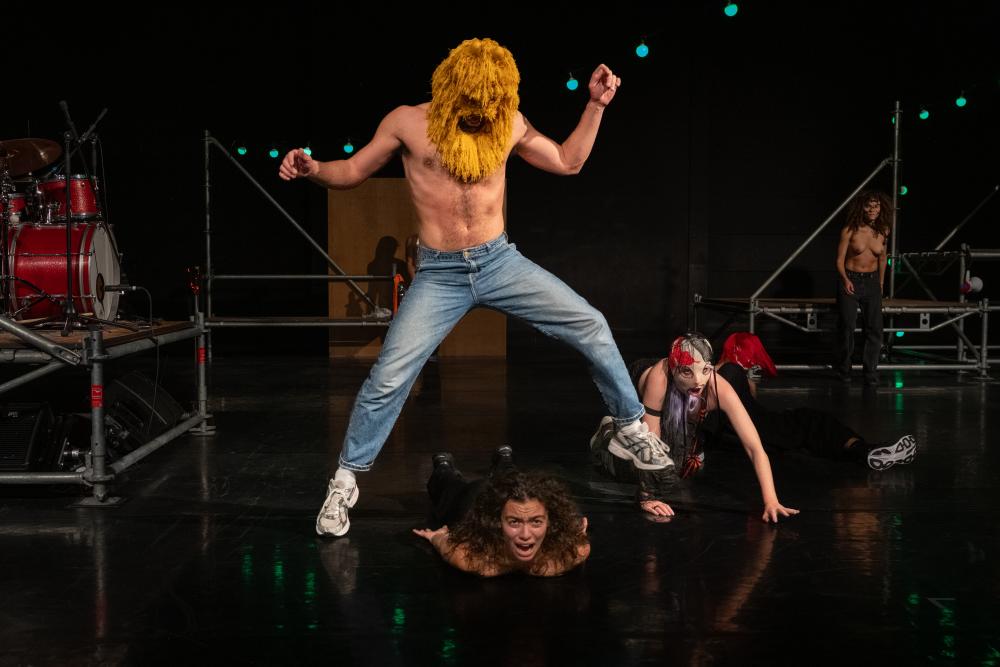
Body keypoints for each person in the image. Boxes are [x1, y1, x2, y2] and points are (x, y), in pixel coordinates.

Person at [279, 38, 669, 537]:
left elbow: (569, 162)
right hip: (439, 273)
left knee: (590, 323)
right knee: (389, 378)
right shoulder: (408, 122)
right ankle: (344, 482)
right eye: (471, 104)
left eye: (489, 104)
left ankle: (631, 425)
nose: (480, 113)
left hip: (499, 261)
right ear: (450, 91)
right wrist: (314, 170)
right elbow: (353, 170)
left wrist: (595, 106)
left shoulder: (508, 121)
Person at [590, 333, 799, 523]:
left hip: (683, 398)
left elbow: (754, 447)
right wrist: (647, 497)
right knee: (651, 462)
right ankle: (608, 432)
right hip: (644, 389)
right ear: (674, 370)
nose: (698, 380)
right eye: (688, 372)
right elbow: (650, 442)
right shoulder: (659, 379)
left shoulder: (719, 388)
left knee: (679, 463)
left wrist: (771, 500)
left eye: (705, 370)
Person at [712, 332, 917, 470]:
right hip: (756, 430)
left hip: (733, 438)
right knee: (811, 421)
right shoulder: (731, 372)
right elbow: (749, 397)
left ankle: (859, 453)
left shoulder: (708, 380)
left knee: (808, 439)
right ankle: (862, 450)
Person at [413, 447, 590, 577]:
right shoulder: (473, 558)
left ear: (549, 522)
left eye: (536, 522)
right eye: (514, 522)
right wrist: (437, 537)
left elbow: (580, 545)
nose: (525, 535)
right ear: (498, 522)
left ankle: (505, 460)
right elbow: (446, 544)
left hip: (507, 499)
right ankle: (443, 466)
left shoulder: (568, 556)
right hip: (473, 499)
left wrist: (575, 536)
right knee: (449, 488)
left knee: (514, 481)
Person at [835, 189, 892, 385]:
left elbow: (883, 258)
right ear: (862, 207)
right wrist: (845, 279)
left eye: (876, 206)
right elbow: (839, 260)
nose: (873, 209)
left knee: (874, 328)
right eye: (869, 205)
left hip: (872, 282)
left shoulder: (883, 230)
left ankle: (870, 372)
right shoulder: (849, 230)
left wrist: (881, 283)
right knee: (847, 327)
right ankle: (843, 369)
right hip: (850, 279)